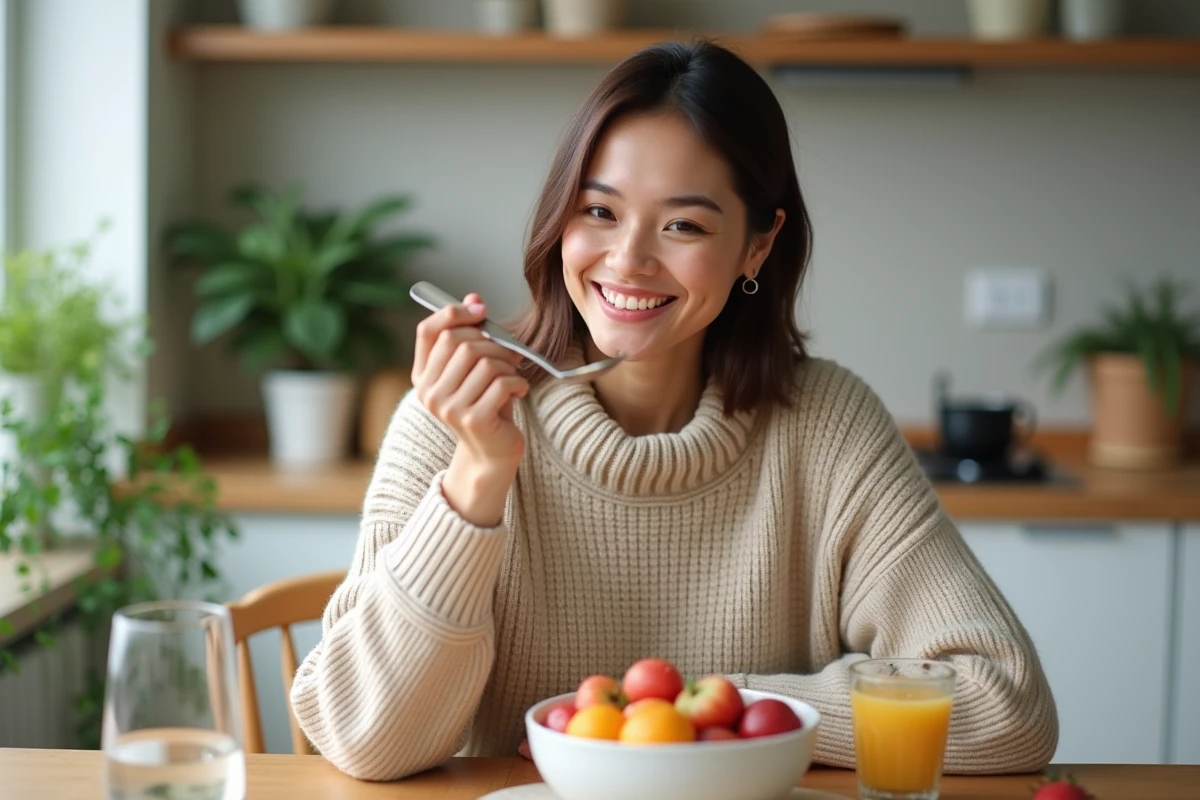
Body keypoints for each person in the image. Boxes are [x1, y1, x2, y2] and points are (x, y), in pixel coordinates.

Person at [290, 39, 1058, 781]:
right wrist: (478, 480)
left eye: (684, 224)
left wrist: (703, 717)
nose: (628, 259)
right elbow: (368, 738)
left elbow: (1006, 703)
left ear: (758, 247)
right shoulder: (452, 420)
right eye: (598, 212)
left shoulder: (826, 425)